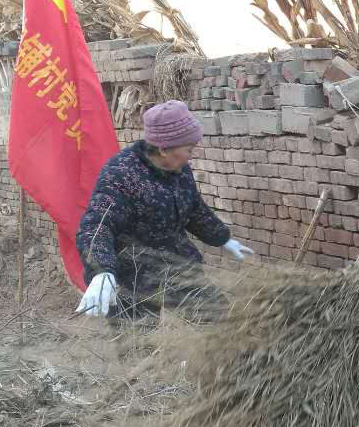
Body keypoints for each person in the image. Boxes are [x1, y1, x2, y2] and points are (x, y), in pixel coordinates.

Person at [75, 99, 254, 321]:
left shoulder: (179, 169)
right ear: (163, 149)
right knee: (137, 345)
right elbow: (96, 226)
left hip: (177, 266)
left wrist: (223, 239)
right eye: (188, 149)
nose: (191, 154)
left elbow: (194, 209)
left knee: (221, 321)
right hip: (133, 277)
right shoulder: (121, 174)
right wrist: (102, 270)